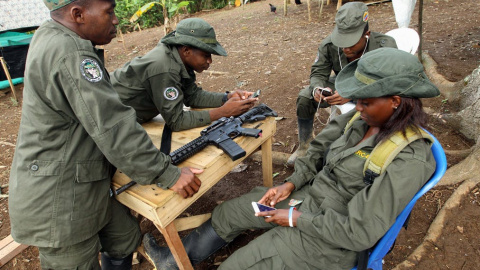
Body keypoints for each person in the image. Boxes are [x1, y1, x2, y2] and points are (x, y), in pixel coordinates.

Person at [142, 48, 440, 269]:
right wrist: (291, 184)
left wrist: (295, 219)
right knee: (230, 213)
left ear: (396, 101)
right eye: (357, 100)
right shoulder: (360, 120)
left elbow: (359, 231)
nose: (357, 107)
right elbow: (317, 150)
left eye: (365, 102)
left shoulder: (409, 159)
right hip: (307, 197)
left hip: (331, 238)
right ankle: (172, 262)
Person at [8, 1, 203, 269]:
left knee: (124, 238)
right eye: (109, 12)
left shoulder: (51, 34)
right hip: (59, 195)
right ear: (77, 14)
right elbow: (113, 125)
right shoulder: (72, 52)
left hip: (81, 177)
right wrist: (167, 173)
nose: (115, 20)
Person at [287, 1, 397, 166]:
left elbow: (389, 82)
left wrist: (352, 93)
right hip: (342, 82)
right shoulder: (329, 44)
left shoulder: (385, 46)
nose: (345, 48)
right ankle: (305, 145)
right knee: (305, 96)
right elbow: (318, 72)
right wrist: (318, 88)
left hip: (373, 90)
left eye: (351, 42)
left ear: (366, 34)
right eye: (342, 40)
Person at [110, 18, 257, 131]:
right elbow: (176, 121)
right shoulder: (165, 68)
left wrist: (227, 98)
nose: (209, 61)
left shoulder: (179, 58)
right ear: (186, 50)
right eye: (205, 55)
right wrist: (222, 112)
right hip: (110, 117)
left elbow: (192, 96)